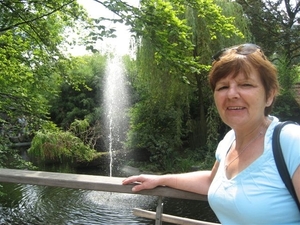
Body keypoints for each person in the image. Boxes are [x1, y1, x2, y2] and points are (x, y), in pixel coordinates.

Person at [122, 43, 300, 224]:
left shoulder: (292, 141)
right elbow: (211, 181)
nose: (231, 94)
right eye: (222, 87)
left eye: (245, 84)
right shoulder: (229, 141)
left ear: (269, 95)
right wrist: (162, 179)